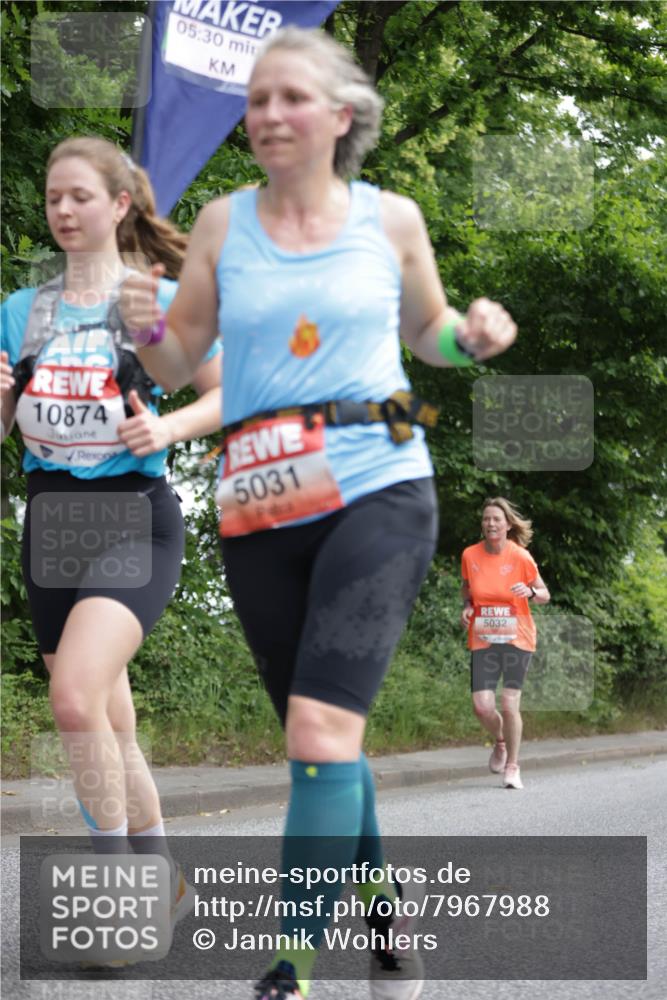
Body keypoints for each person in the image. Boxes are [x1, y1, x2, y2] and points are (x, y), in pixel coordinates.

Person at [119, 26, 516, 1000]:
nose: (265, 115)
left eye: (289, 97)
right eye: (254, 101)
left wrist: (467, 338)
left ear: (341, 116)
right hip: (259, 497)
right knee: (322, 739)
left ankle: (290, 968)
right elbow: (182, 362)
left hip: (377, 476)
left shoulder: (391, 219)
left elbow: (427, 333)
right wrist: (152, 332)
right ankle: (387, 926)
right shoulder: (218, 224)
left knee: (317, 732)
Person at [0, 137, 222, 930]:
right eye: (53, 196)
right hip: (52, 524)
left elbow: (223, 394)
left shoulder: (148, 304)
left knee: (70, 699)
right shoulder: (20, 312)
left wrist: (168, 433)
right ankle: (162, 876)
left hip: (134, 517)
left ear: (120, 205)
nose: (62, 209)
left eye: (80, 197)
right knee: (111, 724)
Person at [461, 497, 550, 790]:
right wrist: (467, 607)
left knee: (510, 704)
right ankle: (500, 742)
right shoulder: (470, 555)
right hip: (484, 637)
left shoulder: (520, 556)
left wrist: (529, 592)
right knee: (482, 707)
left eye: (496, 519)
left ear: (508, 524)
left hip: (517, 637)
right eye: (486, 519)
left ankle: (513, 766)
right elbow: (467, 591)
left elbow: (544, 594)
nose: (490, 524)